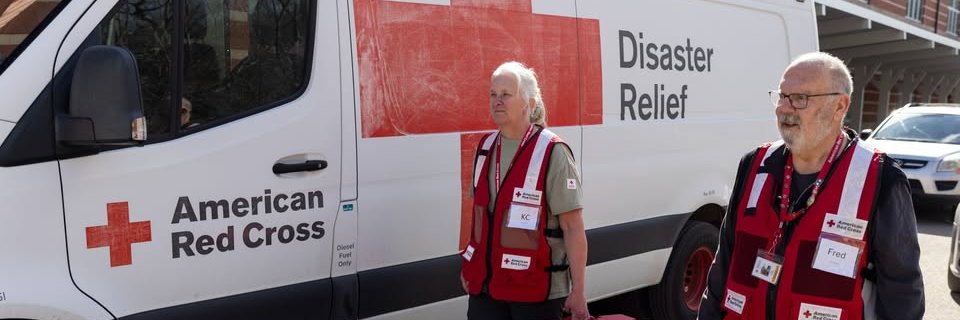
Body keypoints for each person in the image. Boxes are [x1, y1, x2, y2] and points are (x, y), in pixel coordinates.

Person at [698, 52, 924, 319]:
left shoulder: (880, 178)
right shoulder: (754, 165)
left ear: (840, 106)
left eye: (800, 98)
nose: (784, 108)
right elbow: (723, 265)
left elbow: (901, 292)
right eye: (782, 96)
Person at [460, 61, 590, 320]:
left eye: (506, 94)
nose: (497, 101)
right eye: (493, 94)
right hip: (487, 288)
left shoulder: (553, 151)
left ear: (529, 103)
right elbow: (477, 216)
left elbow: (572, 226)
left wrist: (579, 291)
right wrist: (468, 265)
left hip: (536, 293)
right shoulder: (484, 149)